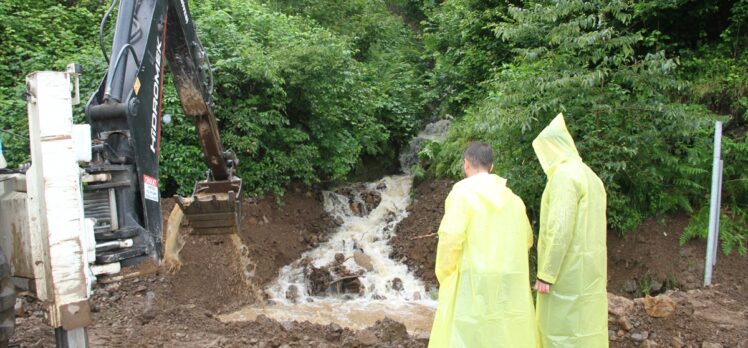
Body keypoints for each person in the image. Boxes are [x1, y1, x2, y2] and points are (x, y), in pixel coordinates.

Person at [429, 141, 538, 348]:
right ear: (492, 167)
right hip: (508, 279)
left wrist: (446, 276)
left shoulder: (461, 194)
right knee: (503, 333)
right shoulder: (514, 200)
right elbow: (526, 240)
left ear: (466, 164)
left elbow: (450, 239)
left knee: (470, 334)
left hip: (472, 280)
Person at [532, 114, 608, 347]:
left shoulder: (564, 176)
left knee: (561, 330)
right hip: (591, 270)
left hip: (567, 271)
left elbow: (560, 226)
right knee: (587, 326)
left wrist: (547, 272)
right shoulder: (591, 176)